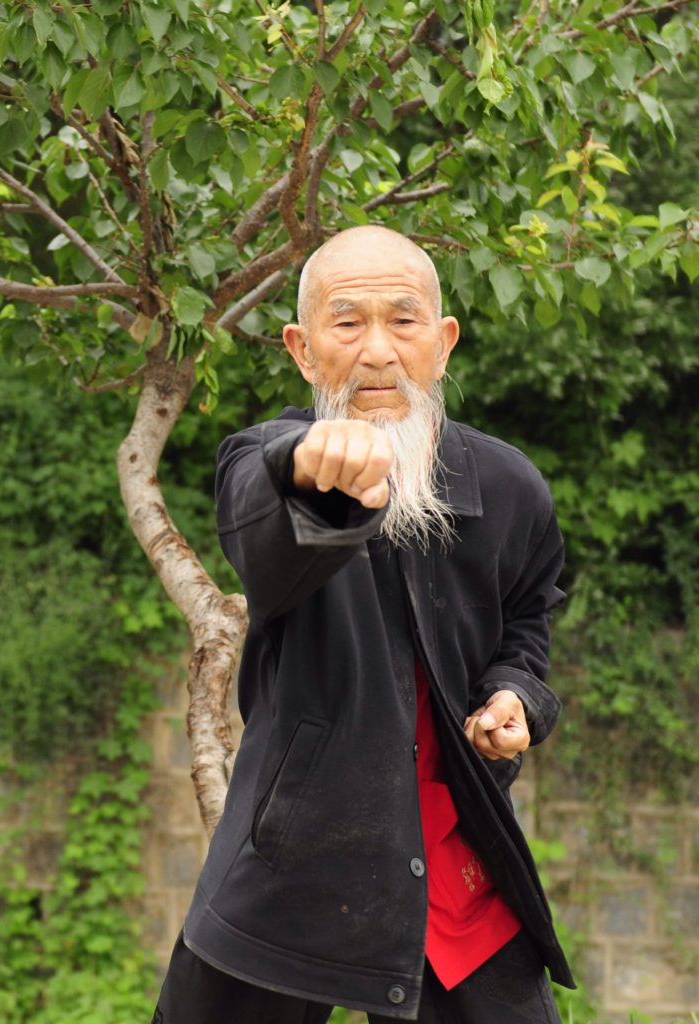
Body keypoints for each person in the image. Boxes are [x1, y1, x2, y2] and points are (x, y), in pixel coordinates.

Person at [152, 225, 575, 1024]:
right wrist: (314, 470)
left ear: (443, 342)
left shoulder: (509, 485)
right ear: (303, 350)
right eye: (347, 323)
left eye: (404, 320)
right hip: (294, 863)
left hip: (458, 859)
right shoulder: (266, 460)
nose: (377, 350)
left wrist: (515, 693)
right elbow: (263, 528)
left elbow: (531, 614)